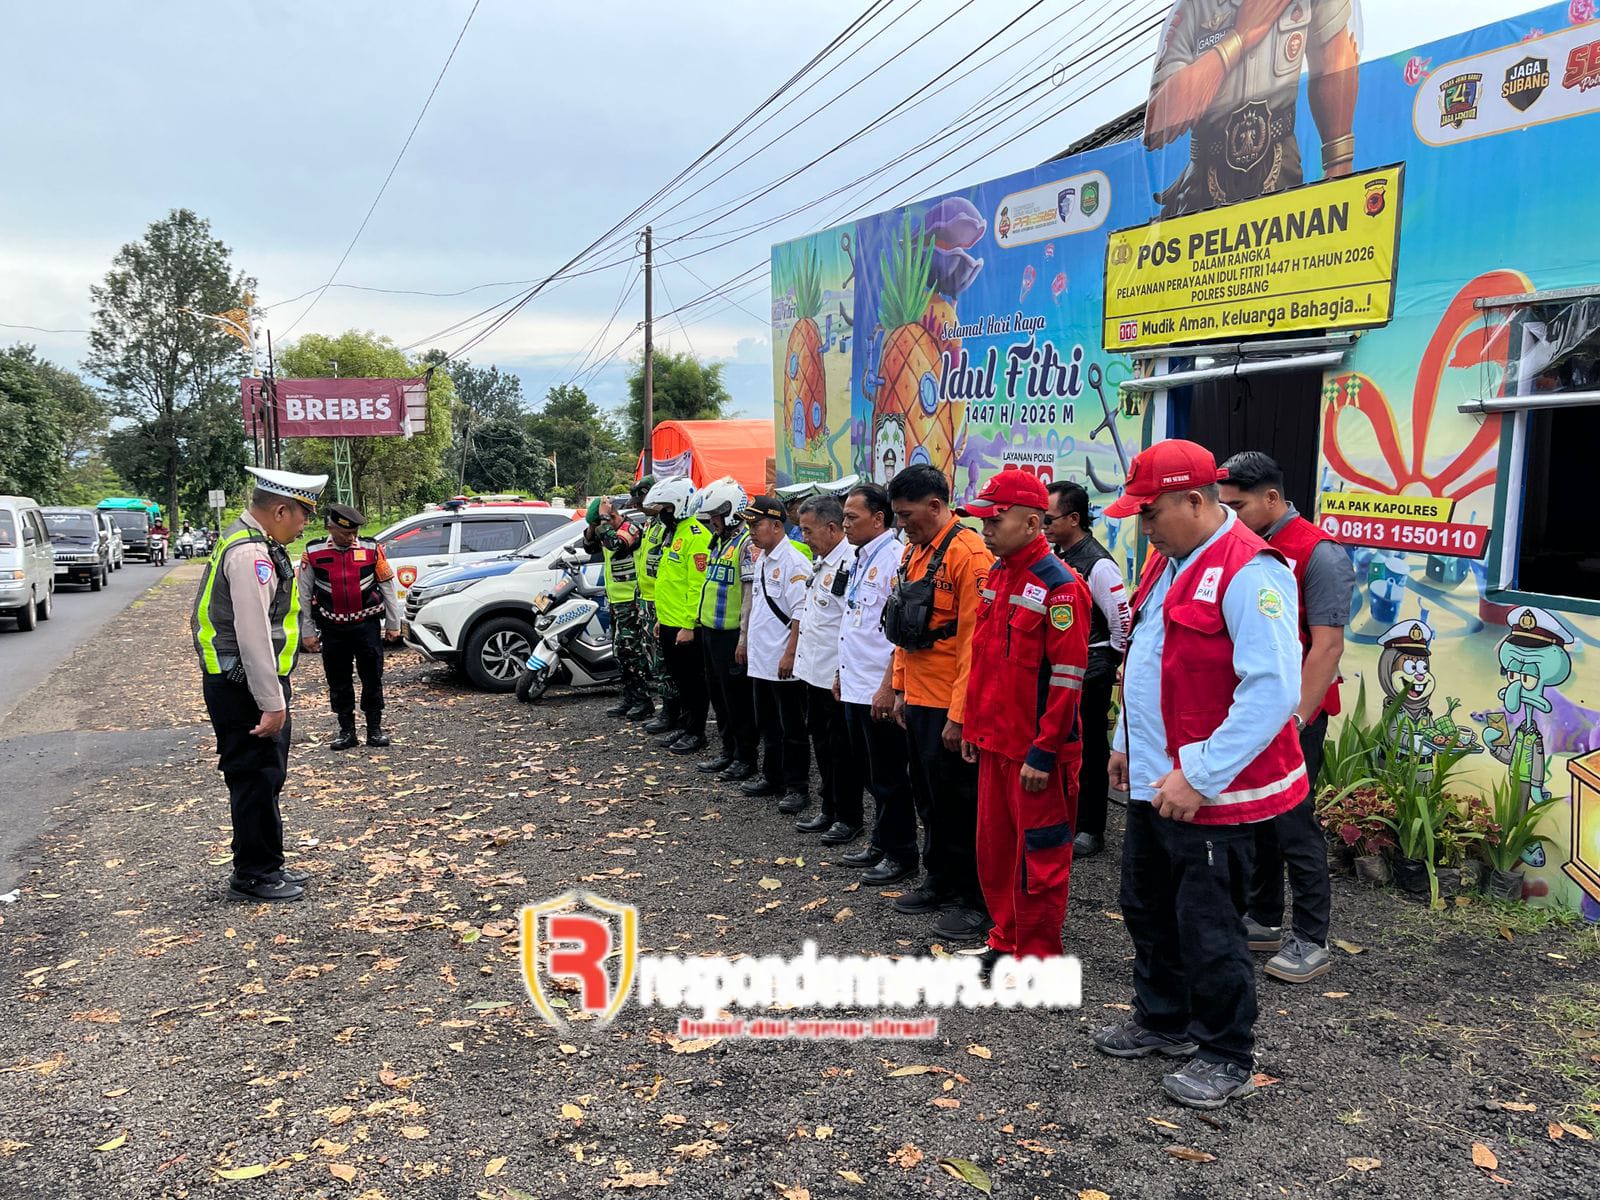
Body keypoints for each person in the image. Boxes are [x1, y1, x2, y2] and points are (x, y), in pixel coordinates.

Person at [1092, 440, 1305, 1110]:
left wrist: (1199, 772)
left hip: (1213, 794)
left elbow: (1272, 690)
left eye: (1150, 513)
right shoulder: (1169, 562)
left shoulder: (1251, 570)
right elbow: (1149, 657)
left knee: (1210, 929)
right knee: (1145, 906)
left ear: (1193, 500)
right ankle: (1163, 1020)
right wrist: (1128, 742)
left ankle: (1224, 1052)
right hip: (1158, 783)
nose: (1142, 526)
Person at [1219, 451, 1356, 984]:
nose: (1228, 515)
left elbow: (1326, 648)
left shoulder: (1319, 554)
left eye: (1238, 505)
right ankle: (1264, 919)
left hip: (1297, 714)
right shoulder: (1242, 546)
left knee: (1295, 823)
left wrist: (1295, 719)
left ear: (1272, 498)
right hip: (1253, 711)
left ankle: (1311, 937)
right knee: (1256, 818)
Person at [960, 471, 1091, 968]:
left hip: (1036, 755)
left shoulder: (1061, 588)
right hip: (996, 743)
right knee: (995, 855)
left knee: (1039, 860)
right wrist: (972, 726)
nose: (986, 529)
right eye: (983, 519)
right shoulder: (998, 575)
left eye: (995, 519)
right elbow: (984, 661)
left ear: (1033, 521)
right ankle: (1005, 940)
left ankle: (1037, 958)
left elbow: (1068, 679)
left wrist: (1044, 750)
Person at [192, 466, 327, 902]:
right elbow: (252, 635)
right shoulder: (251, 555)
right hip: (243, 684)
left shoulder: (248, 542)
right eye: (303, 514)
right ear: (281, 510)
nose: (306, 524)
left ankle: (268, 862)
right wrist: (272, 702)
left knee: (264, 776)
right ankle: (254, 873)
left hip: (241, 681)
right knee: (255, 776)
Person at [881, 464, 991, 943]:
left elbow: (975, 643)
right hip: (920, 699)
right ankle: (939, 881)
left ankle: (973, 900)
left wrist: (960, 715)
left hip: (951, 704)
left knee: (961, 806)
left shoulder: (969, 555)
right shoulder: (913, 552)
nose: (901, 523)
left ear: (935, 505)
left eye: (907, 514)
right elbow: (907, 632)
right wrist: (901, 688)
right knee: (928, 800)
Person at [1145, 0, 1360, 217]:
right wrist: (1239, 38)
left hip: (1279, 164)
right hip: (1206, 177)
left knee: (1288, 248)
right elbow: (1159, 122)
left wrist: (1338, 169)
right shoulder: (1194, 7)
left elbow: (1333, 61)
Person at [1044, 481, 1131, 857]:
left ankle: (1091, 829)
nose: (1043, 526)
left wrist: (1104, 663)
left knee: (1090, 750)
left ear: (1074, 519)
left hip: (1090, 668)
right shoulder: (1056, 555)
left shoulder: (1098, 565)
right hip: (1058, 664)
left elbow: (1122, 624)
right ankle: (1062, 818)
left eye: (1048, 519)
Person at [835, 484, 917, 877]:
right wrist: (840, 672)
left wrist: (889, 686)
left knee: (888, 776)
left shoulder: (894, 560)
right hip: (855, 682)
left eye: (852, 517)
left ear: (879, 519)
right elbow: (855, 621)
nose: (845, 524)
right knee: (868, 772)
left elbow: (896, 635)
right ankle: (881, 841)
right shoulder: (861, 557)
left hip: (877, 688)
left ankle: (900, 854)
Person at [297, 503, 402, 750]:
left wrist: (393, 624)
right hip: (332, 629)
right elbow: (304, 594)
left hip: (366, 626)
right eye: (345, 533)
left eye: (354, 532)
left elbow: (387, 586)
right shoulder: (313, 552)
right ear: (331, 528)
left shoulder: (372, 549)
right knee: (338, 681)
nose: (351, 537)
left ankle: (375, 730)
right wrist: (308, 631)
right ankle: (346, 732)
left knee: (372, 678)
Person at [792, 493, 862, 842]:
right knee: (822, 744)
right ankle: (829, 807)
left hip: (835, 676)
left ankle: (848, 817)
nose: (804, 538)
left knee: (840, 751)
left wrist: (837, 674)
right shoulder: (822, 561)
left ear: (832, 528)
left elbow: (848, 624)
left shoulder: (849, 563)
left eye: (808, 531)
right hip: (813, 672)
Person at [741, 495, 813, 812]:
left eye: (756, 524)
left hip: (784, 660)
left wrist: (790, 653)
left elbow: (800, 612)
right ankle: (773, 777)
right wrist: (744, 642)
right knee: (768, 723)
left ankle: (797, 787)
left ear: (776, 525)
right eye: (749, 524)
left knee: (792, 729)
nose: (751, 531)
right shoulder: (763, 558)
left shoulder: (794, 561)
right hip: (763, 658)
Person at [694, 477, 760, 783]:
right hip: (710, 631)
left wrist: (744, 638)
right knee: (718, 696)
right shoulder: (717, 542)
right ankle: (728, 751)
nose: (712, 521)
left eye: (716, 516)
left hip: (731, 635)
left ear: (732, 512)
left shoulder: (745, 544)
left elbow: (748, 595)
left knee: (737, 700)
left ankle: (745, 757)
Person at [648, 478, 712, 755]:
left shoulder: (696, 535)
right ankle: (686, 726)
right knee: (679, 680)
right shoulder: (674, 533)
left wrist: (688, 625)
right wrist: (662, 619)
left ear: (678, 506)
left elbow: (697, 586)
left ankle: (696, 732)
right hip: (670, 621)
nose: (661, 513)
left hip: (687, 626)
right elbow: (670, 582)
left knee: (693, 682)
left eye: (664, 507)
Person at [584, 493, 653, 720]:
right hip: (615, 601)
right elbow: (589, 547)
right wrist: (593, 526)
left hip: (631, 601)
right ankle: (630, 698)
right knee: (620, 653)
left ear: (611, 515)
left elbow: (616, 544)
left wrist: (604, 519)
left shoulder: (630, 529)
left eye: (601, 522)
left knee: (633, 653)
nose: (599, 528)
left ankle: (643, 701)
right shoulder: (605, 530)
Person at [633, 476, 681, 735]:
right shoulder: (651, 524)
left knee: (665, 663)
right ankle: (669, 709)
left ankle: (672, 712)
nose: (641, 506)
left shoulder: (667, 526)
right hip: (649, 601)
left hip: (662, 603)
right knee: (655, 660)